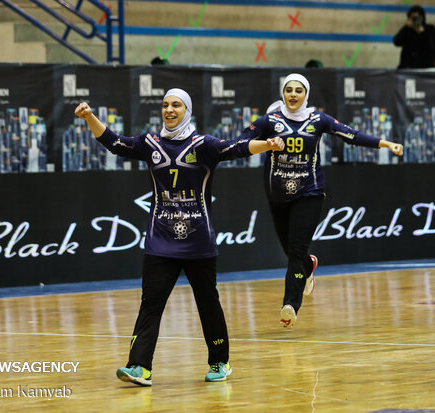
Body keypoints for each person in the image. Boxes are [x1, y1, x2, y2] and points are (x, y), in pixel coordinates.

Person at [75, 89, 284, 386]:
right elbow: (115, 143)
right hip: (160, 242)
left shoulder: (205, 145)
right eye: (165, 105)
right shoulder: (150, 143)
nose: (169, 110)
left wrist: (268, 144)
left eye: (176, 105)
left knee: (208, 303)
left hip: (199, 242)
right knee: (151, 303)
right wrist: (89, 117)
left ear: (187, 110)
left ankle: (219, 362)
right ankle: (139, 367)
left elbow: (237, 147)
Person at [236, 74, 403, 328]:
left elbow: (351, 135)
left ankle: (290, 305)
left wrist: (386, 143)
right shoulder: (269, 121)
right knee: (293, 252)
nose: (293, 94)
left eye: (298, 90)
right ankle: (309, 265)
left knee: (295, 251)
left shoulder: (318, 120)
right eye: (289, 90)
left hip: (309, 191)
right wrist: (267, 144)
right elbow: (240, 142)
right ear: (283, 93)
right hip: (278, 195)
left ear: (306, 94)